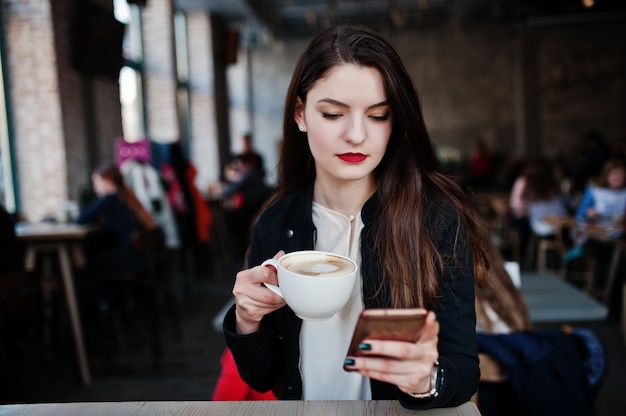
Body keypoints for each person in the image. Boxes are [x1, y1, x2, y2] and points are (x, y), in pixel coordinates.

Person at [223, 23, 491, 409]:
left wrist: (424, 379)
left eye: (378, 116)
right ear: (300, 114)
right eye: (333, 114)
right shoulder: (277, 223)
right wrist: (247, 319)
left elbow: (462, 370)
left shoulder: (433, 219)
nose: (356, 135)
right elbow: (261, 376)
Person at [77, 162, 156, 274]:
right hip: (142, 258)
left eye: (96, 181)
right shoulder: (127, 195)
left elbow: (81, 219)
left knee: (82, 271)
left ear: (108, 180)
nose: (95, 186)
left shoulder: (109, 199)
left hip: (127, 260)